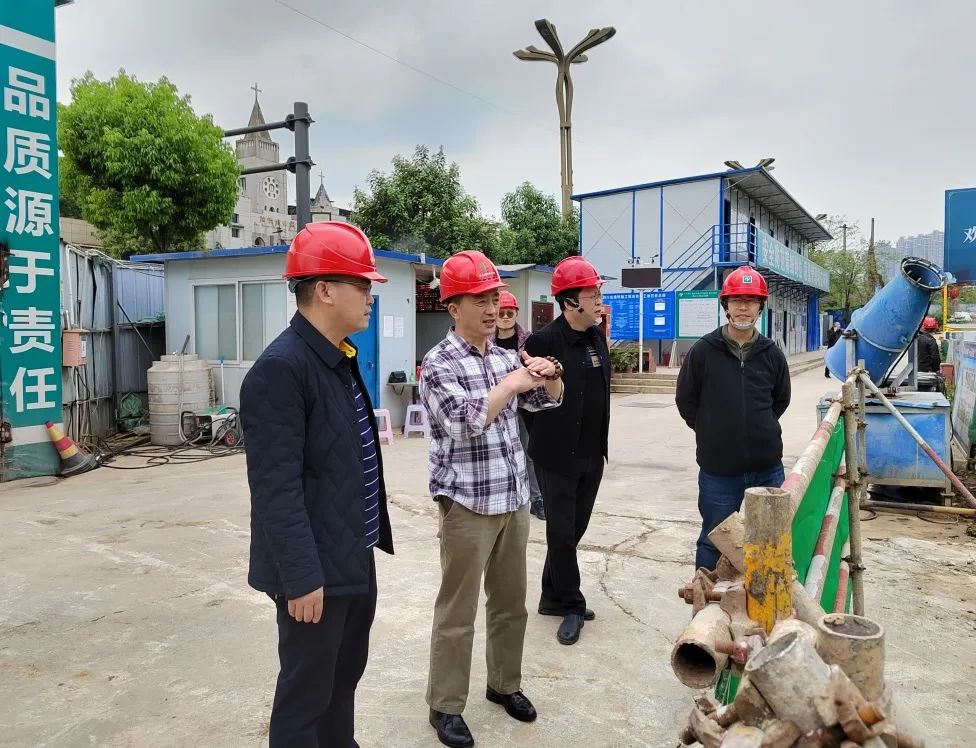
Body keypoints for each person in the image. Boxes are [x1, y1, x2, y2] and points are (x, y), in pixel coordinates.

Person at [240, 221, 394, 747]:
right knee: (306, 694)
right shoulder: (282, 370)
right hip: (314, 573)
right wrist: (302, 578)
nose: (370, 296)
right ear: (324, 290)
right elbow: (276, 488)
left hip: (350, 553)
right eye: (363, 285)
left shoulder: (335, 356)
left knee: (343, 677)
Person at [421, 250, 564, 748]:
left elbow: (544, 400)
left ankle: (504, 684)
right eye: (478, 300)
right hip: (466, 504)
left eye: (493, 298)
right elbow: (462, 423)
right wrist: (511, 384)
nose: (490, 308)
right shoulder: (438, 363)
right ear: (452, 307)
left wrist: (550, 373)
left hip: (513, 498)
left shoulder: (506, 357)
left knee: (510, 604)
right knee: (457, 612)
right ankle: (445, 706)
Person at [675, 267, 791, 571]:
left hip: (767, 468)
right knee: (714, 539)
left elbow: (780, 400)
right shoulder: (703, 351)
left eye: (751, 301)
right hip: (719, 470)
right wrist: (711, 430)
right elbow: (686, 401)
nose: (743, 307)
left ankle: (763, 599)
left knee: (769, 541)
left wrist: (758, 428)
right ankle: (705, 598)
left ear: (760, 307)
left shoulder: (772, 354)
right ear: (725, 305)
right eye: (737, 300)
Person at [523, 256, 611, 646]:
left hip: (592, 453)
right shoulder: (543, 342)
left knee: (573, 531)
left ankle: (550, 596)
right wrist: (546, 443)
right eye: (592, 294)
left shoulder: (596, 336)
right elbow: (528, 404)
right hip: (557, 456)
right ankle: (571, 604)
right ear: (570, 301)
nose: (599, 299)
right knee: (561, 533)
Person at [492, 290, 546, 520]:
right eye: (501, 313)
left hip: (524, 405)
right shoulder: (486, 341)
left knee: (528, 452)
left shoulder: (529, 341)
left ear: (516, 313)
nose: (505, 317)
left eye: (509, 312)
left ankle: (536, 498)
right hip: (496, 405)